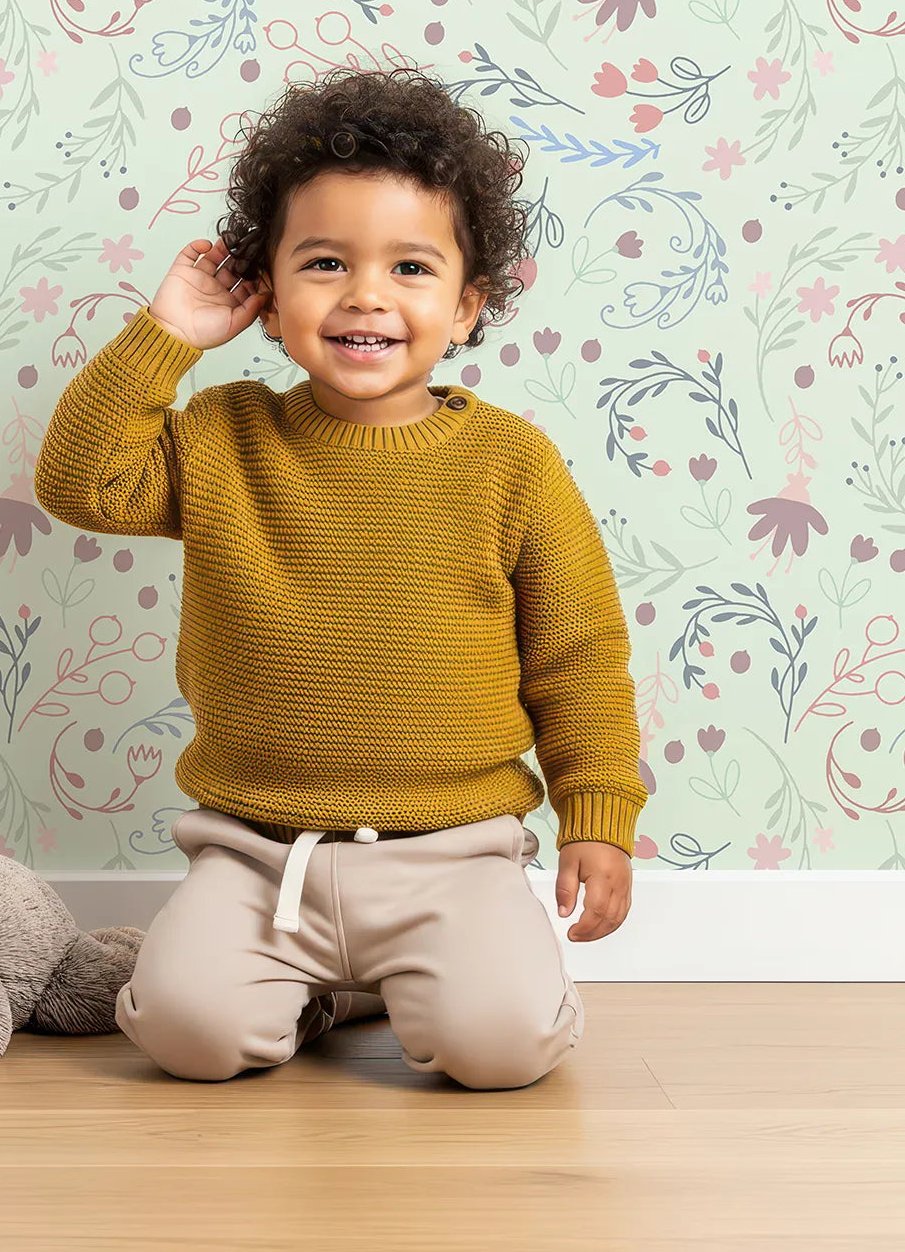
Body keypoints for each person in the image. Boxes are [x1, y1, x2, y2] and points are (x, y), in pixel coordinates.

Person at [32, 65, 648, 1088]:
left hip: (453, 855)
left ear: (465, 306)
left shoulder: (510, 463)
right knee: (185, 1032)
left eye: (410, 267)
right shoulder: (224, 437)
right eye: (323, 261)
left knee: (499, 1050)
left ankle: (413, 972)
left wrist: (597, 814)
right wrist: (169, 335)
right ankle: (317, 984)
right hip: (257, 854)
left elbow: (578, 658)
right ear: (266, 297)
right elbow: (79, 483)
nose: (365, 293)